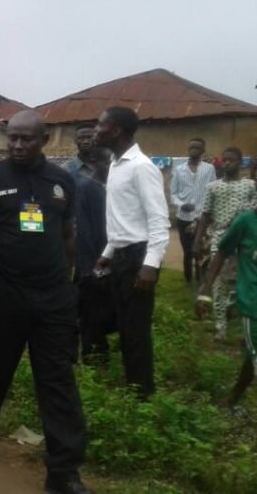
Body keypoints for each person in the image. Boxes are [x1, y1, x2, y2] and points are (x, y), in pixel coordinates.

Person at [0, 110, 89, 494]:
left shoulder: (62, 182)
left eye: (25, 139)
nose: (16, 145)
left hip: (52, 297)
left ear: (43, 140)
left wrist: (66, 284)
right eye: (12, 137)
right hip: (2, 291)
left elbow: (67, 237)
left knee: (58, 381)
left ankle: (63, 470)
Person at [93, 106, 169, 399]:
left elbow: (158, 220)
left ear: (116, 130)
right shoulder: (116, 164)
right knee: (123, 324)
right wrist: (108, 251)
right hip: (122, 254)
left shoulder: (141, 167)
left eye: (101, 125)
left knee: (136, 329)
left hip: (139, 257)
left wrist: (150, 265)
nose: (96, 130)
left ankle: (142, 395)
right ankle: (131, 384)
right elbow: (124, 217)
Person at [197, 202, 257, 408]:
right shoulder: (246, 221)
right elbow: (222, 253)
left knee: (252, 357)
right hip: (252, 303)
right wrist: (205, 291)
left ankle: (233, 398)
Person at [194, 147, 257, 340]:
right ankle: (220, 327)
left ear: (240, 162)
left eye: (232, 160)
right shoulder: (213, 187)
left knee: (242, 279)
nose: (227, 163)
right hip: (220, 239)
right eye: (225, 160)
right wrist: (198, 239)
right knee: (219, 283)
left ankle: (235, 305)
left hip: (244, 241)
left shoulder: (250, 186)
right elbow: (205, 215)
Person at [76, 147, 114, 362]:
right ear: (94, 163)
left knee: (106, 306)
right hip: (94, 259)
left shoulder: (113, 187)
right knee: (91, 309)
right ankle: (91, 353)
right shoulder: (88, 189)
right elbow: (84, 232)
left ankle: (101, 348)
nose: (111, 167)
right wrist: (90, 267)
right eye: (107, 162)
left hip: (112, 256)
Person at [169, 138, 216, 283]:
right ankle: (188, 278)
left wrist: (209, 211)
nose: (193, 150)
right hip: (184, 217)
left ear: (203, 151)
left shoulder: (209, 169)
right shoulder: (179, 169)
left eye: (197, 148)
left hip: (202, 217)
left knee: (201, 249)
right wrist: (181, 204)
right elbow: (173, 193)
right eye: (191, 148)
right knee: (187, 250)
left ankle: (200, 278)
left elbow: (213, 189)